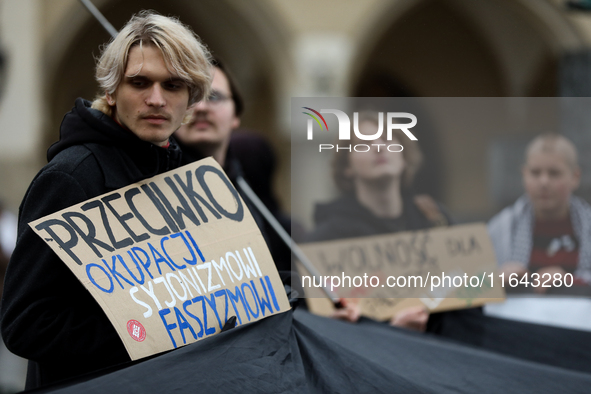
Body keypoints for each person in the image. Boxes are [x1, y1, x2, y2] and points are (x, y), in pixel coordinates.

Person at [0, 11, 212, 388]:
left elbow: (228, 278)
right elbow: (26, 323)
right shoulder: (70, 177)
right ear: (112, 91)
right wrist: (151, 332)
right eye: (140, 82)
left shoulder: (185, 175)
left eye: (174, 85)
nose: (157, 99)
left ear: (191, 98)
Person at [305, 111, 451, 331]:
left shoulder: (435, 218)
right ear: (347, 167)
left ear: (403, 157)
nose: (379, 147)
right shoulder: (326, 240)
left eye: (387, 139)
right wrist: (392, 329)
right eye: (363, 144)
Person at [174, 61, 293, 273]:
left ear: (235, 115)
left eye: (214, 97)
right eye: (191, 98)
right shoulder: (149, 182)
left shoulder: (249, 196)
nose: (201, 108)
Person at [488, 133, 591, 292]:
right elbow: (468, 290)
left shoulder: (587, 224)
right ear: (524, 175)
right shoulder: (500, 228)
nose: (544, 182)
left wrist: (570, 282)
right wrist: (496, 281)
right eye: (535, 173)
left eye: (554, 173)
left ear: (575, 177)